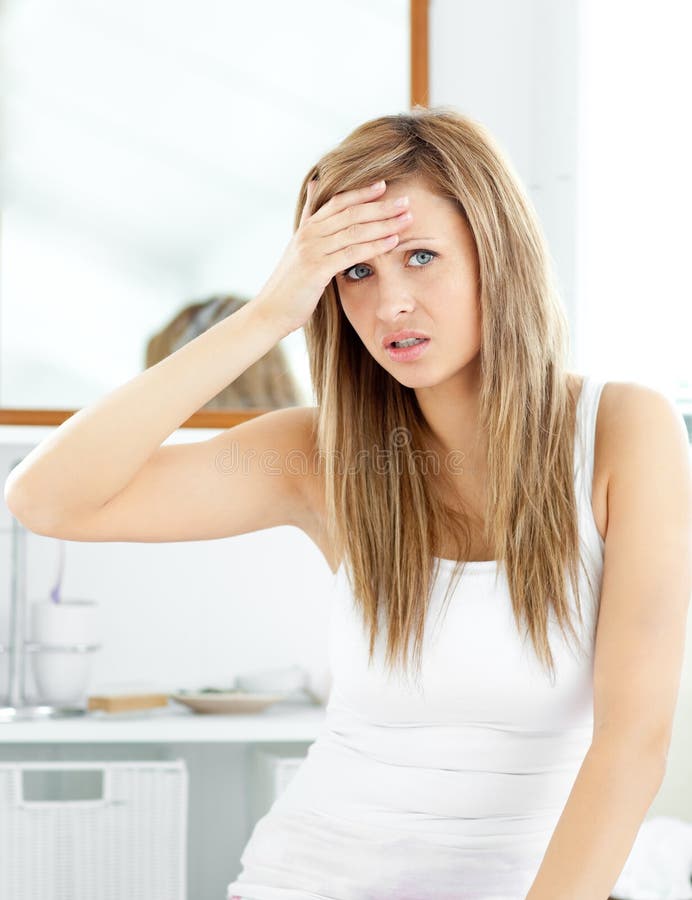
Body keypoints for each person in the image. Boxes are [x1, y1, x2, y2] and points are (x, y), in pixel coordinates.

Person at [4, 106, 690, 900]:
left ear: (496, 255)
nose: (390, 303)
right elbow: (47, 500)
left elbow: (633, 745)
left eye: (420, 256)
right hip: (309, 878)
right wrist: (268, 313)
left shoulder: (625, 432)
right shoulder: (322, 455)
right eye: (356, 271)